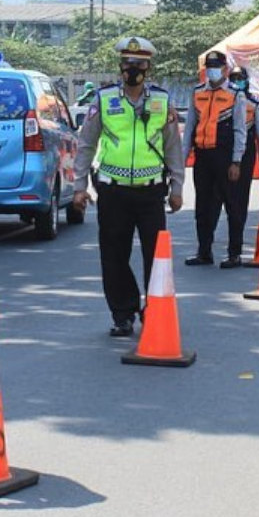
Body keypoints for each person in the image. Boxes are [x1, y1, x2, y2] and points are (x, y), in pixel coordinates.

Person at [71, 36, 184, 337]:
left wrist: (177, 187)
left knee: (155, 256)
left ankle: (154, 309)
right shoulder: (104, 100)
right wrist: (79, 186)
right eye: (127, 63)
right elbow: (86, 144)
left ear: (148, 68)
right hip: (113, 190)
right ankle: (123, 313)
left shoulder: (162, 101)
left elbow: (174, 146)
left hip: (151, 191)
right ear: (120, 66)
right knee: (114, 255)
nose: (132, 69)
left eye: (139, 64)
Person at [183, 50, 247, 268]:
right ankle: (204, 252)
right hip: (202, 156)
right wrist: (182, 160)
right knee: (203, 206)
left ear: (225, 69)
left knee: (232, 205)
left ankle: (234, 253)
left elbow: (240, 130)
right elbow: (190, 127)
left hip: (225, 156)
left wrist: (236, 161)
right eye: (209, 66)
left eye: (216, 66)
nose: (212, 70)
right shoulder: (197, 93)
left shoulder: (235, 95)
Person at [228, 66, 259, 261]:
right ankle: (205, 248)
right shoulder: (224, 99)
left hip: (246, 154)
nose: (237, 81)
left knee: (239, 200)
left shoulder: (254, 103)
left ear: (246, 80)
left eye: (240, 78)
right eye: (234, 78)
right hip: (224, 151)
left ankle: (235, 248)